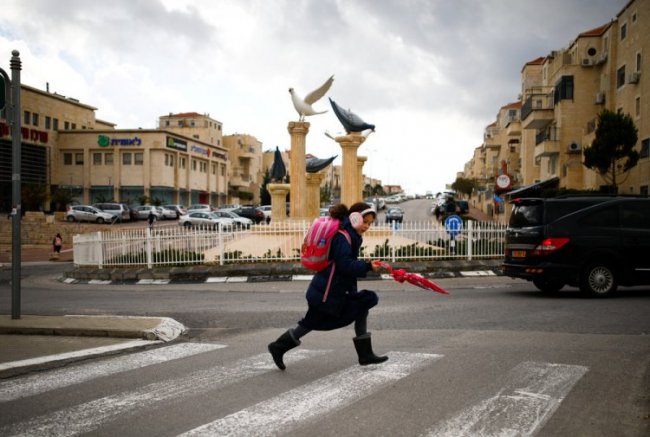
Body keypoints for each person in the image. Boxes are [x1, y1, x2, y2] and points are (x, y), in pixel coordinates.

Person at [268, 202, 387, 370]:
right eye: (365, 222)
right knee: (310, 322)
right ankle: (278, 347)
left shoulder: (350, 235)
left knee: (362, 305)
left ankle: (365, 355)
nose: (367, 226)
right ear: (354, 219)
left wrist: (364, 267)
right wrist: (367, 266)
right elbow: (344, 264)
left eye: (370, 223)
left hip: (335, 288)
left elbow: (345, 264)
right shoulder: (343, 236)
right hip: (327, 292)